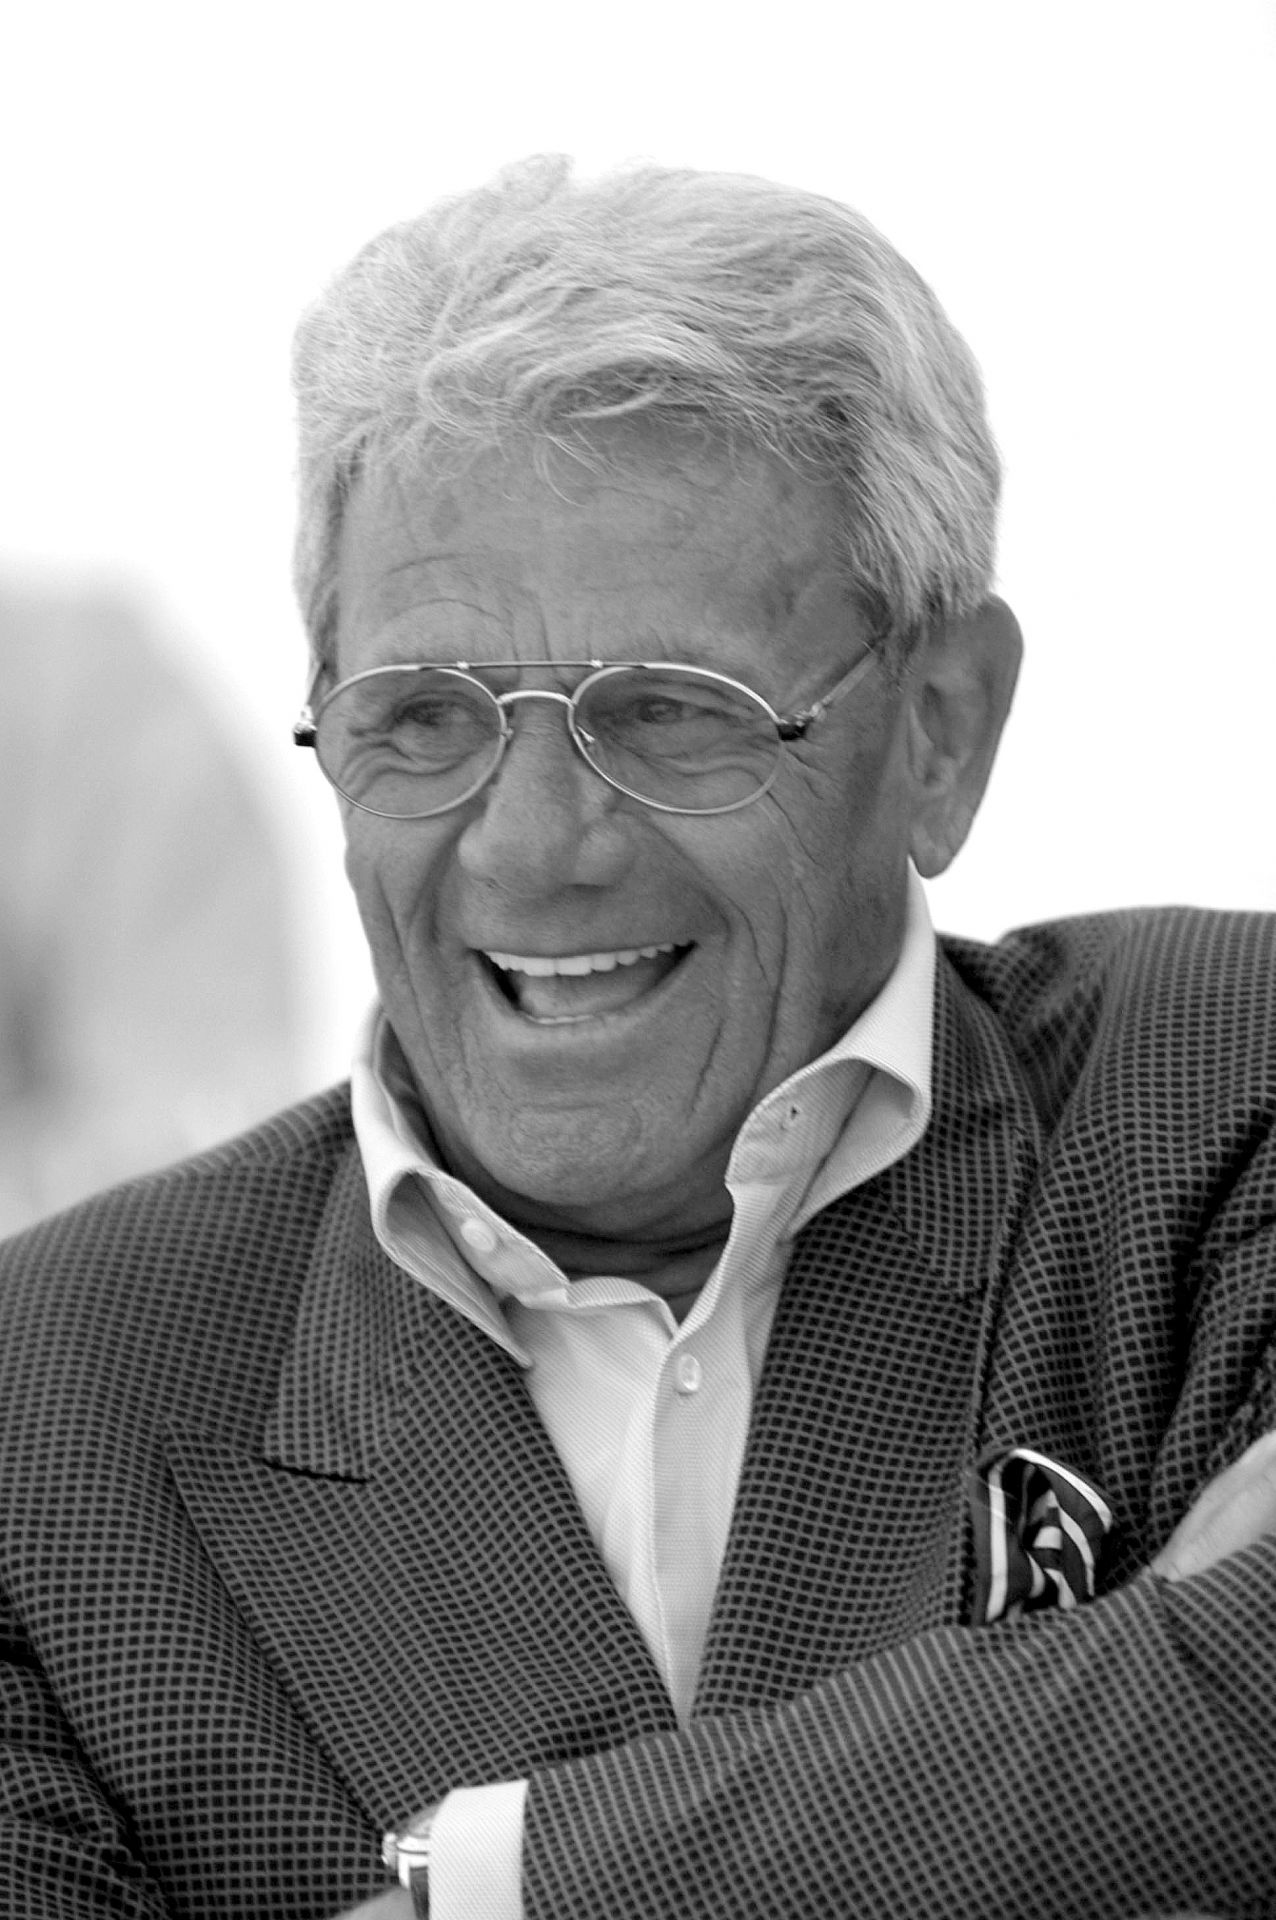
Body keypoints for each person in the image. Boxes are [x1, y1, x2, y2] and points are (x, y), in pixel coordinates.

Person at [0, 155, 1273, 1920]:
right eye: (422, 717)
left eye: (671, 713)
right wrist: (1121, 1744)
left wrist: (499, 1892)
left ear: (941, 729)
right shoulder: (45, 1411)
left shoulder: (1227, 1095)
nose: (531, 847)